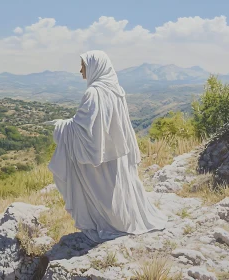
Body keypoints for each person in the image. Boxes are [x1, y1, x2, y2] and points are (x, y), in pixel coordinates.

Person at [44, 50, 168, 243]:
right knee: (116, 191)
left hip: (100, 158)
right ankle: (121, 220)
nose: (80, 70)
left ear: (95, 67)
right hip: (117, 153)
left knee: (105, 195)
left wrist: (61, 125)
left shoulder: (93, 93)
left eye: (83, 66)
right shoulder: (116, 89)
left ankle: (111, 223)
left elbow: (84, 127)